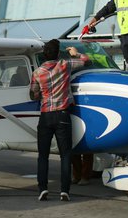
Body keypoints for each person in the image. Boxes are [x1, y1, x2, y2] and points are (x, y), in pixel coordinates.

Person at [29, 39, 90, 202]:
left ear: (44, 54)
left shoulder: (37, 72)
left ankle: (42, 189)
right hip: (63, 115)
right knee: (65, 155)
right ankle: (64, 191)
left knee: (43, 156)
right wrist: (75, 53)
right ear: (57, 53)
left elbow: (33, 95)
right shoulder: (64, 65)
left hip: (45, 116)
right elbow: (86, 61)